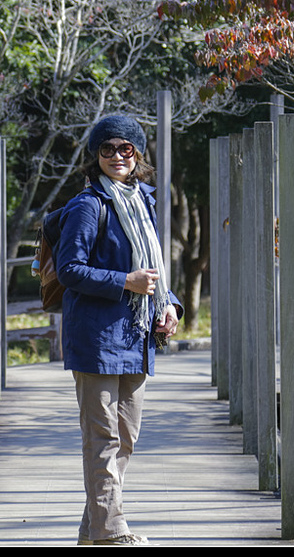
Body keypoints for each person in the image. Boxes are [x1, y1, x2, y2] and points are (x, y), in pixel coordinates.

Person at [55, 114, 182, 546]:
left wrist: (170, 306)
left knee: (124, 439)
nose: (115, 157)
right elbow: (71, 270)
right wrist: (125, 282)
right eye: (106, 149)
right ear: (96, 156)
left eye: (124, 148)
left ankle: (92, 532)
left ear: (137, 154)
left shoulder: (142, 202)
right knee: (103, 437)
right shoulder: (88, 206)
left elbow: (157, 269)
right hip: (95, 339)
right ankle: (111, 534)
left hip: (136, 334)